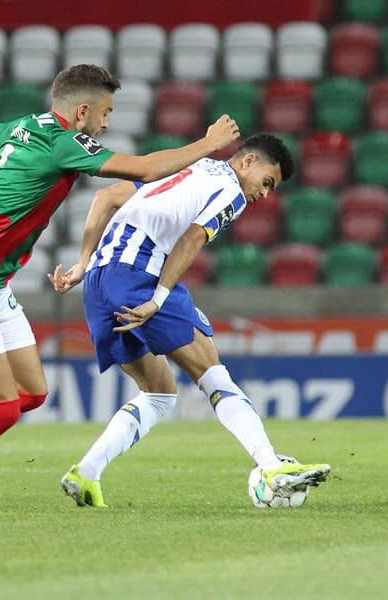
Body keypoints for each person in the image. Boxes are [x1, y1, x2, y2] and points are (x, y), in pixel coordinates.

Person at [0, 64, 240, 511]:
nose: (107, 123)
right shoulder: (63, 143)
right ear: (84, 110)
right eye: (106, 112)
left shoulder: (27, 126)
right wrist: (208, 145)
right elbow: (146, 170)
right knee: (1, 408)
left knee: (31, 394)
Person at [50, 132, 330, 508]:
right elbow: (193, 237)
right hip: (139, 277)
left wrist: (83, 262)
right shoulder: (231, 189)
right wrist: (159, 297)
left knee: (160, 392)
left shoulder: (188, 167)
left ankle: (87, 472)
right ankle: (269, 465)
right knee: (212, 373)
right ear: (247, 162)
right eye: (267, 182)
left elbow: (106, 198)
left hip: (100, 283)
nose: (264, 194)